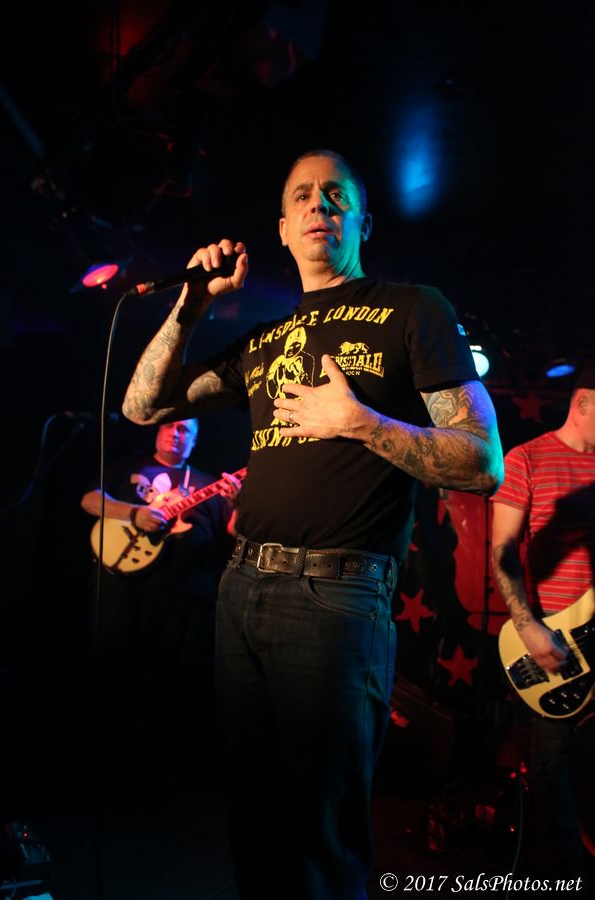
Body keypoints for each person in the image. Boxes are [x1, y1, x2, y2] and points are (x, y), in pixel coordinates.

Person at [122, 149, 504, 899]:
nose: (318, 206)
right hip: (241, 590)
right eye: (302, 195)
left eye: (336, 195)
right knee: (253, 822)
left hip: (335, 597)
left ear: (364, 220)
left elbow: (481, 460)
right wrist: (192, 303)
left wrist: (360, 422)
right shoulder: (265, 339)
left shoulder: (411, 308)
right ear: (282, 227)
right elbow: (143, 406)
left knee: (317, 838)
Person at [80, 418, 241, 786]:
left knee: (173, 684)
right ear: (157, 431)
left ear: (195, 440)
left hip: (184, 597)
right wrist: (134, 513)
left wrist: (237, 503)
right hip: (122, 589)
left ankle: (161, 774)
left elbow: (234, 531)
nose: (176, 433)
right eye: (170, 426)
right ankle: (103, 767)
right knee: (113, 676)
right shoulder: (128, 465)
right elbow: (89, 500)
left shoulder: (206, 482)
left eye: (186, 430)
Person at [491, 362, 595, 888]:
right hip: (557, 643)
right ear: (583, 402)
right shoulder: (527, 458)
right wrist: (527, 625)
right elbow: (503, 550)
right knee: (552, 768)